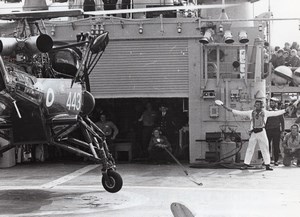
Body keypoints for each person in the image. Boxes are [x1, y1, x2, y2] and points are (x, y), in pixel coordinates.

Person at [218, 98, 291, 171]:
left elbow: (276, 113)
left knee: (265, 148)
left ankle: (267, 164)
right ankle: (246, 164)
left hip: (262, 132)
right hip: (253, 132)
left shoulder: (266, 113)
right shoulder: (251, 112)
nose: (256, 106)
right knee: (250, 148)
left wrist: (285, 110)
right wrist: (225, 107)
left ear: (261, 106)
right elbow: (239, 112)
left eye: (258, 105)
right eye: (256, 105)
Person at [265, 97, 285, 166]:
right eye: (270, 103)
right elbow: (265, 121)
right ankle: (267, 160)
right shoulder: (267, 112)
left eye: (273, 102)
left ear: (276, 104)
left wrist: (282, 131)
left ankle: (276, 160)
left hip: (276, 130)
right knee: (267, 146)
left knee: (276, 146)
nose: (271, 104)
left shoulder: (279, 112)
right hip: (268, 130)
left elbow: (282, 122)